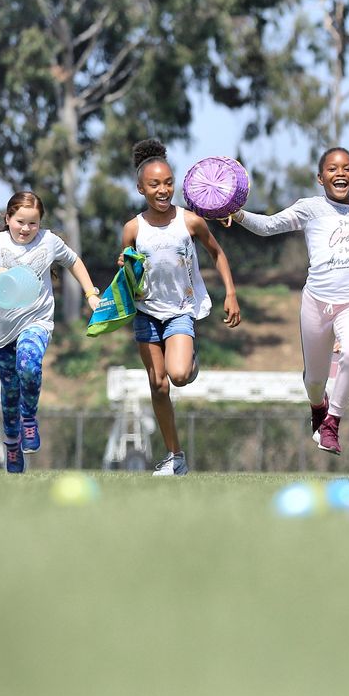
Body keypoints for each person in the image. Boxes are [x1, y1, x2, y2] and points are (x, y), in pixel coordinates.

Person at [229, 146, 349, 456]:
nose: (340, 173)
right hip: (316, 303)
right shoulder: (310, 208)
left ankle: (332, 423)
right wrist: (236, 214)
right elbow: (268, 226)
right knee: (315, 381)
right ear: (320, 177)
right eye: (332, 169)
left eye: (347, 168)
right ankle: (319, 405)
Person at [122, 139, 240, 476]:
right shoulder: (132, 228)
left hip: (179, 311)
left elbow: (217, 253)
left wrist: (230, 292)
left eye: (168, 182)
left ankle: (190, 362)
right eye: (155, 184)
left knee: (178, 375)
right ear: (141, 188)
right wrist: (125, 266)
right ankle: (175, 457)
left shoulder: (190, 222)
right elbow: (128, 272)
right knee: (158, 385)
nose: (163, 190)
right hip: (146, 313)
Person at [0, 191, 101, 473]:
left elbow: (73, 261)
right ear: (8, 217)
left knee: (29, 364)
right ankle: (12, 444)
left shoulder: (49, 242)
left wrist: (90, 293)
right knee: (10, 390)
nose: (25, 229)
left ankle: (29, 420)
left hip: (37, 322)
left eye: (33, 223)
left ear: (40, 223)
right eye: (20, 221)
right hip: (2, 331)